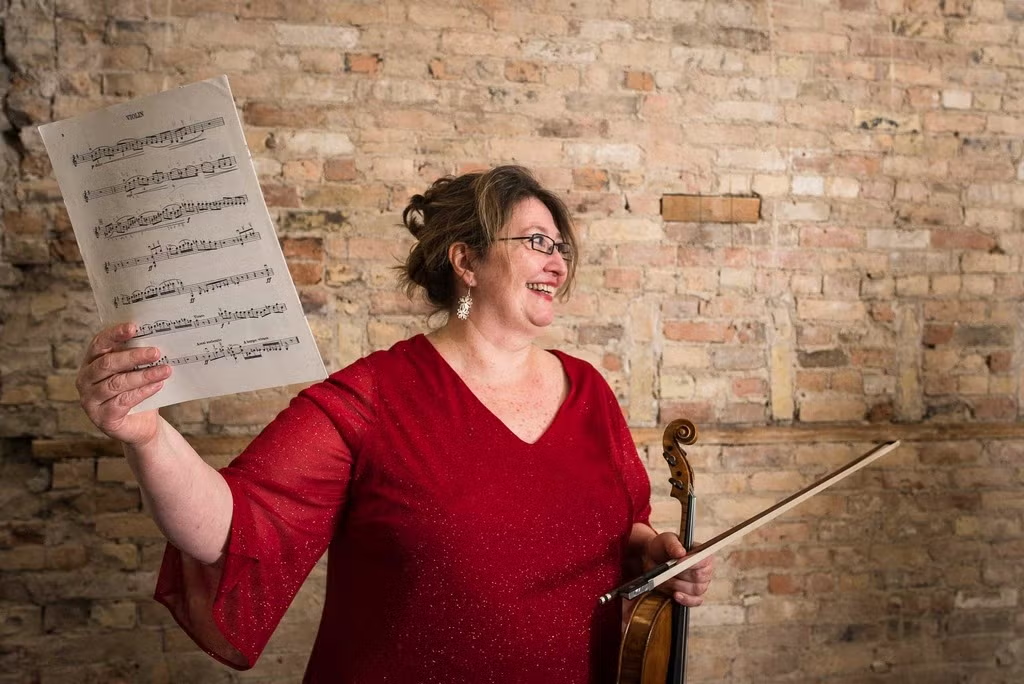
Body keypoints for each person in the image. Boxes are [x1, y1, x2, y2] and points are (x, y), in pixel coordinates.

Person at [76, 165, 714, 683]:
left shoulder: (589, 389)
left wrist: (655, 552)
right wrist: (148, 435)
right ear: (466, 261)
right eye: (536, 243)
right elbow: (230, 526)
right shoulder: (373, 395)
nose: (557, 263)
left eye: (561, 248)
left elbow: (618, 531)